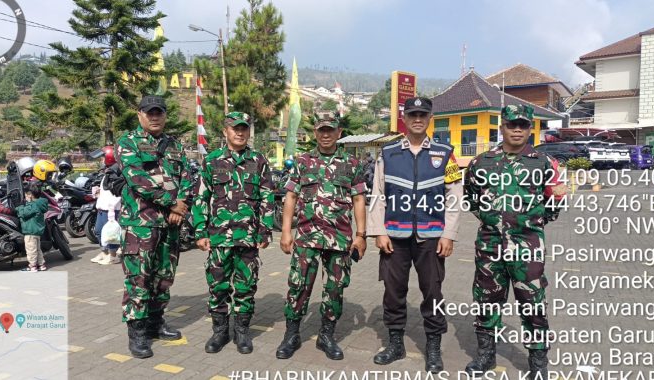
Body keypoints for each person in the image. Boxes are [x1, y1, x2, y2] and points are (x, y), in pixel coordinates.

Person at [463, 104, 565, 379]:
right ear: (502, 127)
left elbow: (555, 202)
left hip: (528, 247)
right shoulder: (480, 162)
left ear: (530, 128)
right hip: (490, 247)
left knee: (532, 303)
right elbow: (471, 198)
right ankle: (485, 356)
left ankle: (538, 363)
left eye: (522, 125)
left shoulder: (544, 163)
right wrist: (493, 219)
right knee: (486, 301)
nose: (517, 129)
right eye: (511, 124)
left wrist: (528, 221)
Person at [367, 97, 463, 373]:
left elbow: (454, 196)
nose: (417, 118)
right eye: (412, 114)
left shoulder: (445, 153)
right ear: (404, 119)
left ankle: (433, 348)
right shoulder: (388, 153)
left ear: (430, 117)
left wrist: (449, 234)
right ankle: (395, 343)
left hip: (431, 237)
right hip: (394, 237)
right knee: (393, 292)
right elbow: (377, 194)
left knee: (432, 291)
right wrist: (377, 231)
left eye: (422, 114)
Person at [275, 111, 368, 361]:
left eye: (331, 130)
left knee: (335, 289)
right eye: (321, 130)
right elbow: (291, 197)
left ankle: (327, 335)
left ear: (339, 133)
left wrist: (361, 235)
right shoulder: (303, 162)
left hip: (339, 239)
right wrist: (285, 231)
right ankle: (291, 334)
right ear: (315, 133)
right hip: (306, 238)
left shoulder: (352, 164)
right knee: (298, 286)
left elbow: (359, 199)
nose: (326, 134)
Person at [117, 95, 193, 359]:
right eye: (149, 112)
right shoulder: (128, 143)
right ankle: (137, 333)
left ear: (165, 115)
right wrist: (172, 202)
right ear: (140, 114)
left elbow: (187, 175)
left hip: (170, 224)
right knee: (139, 278)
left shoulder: (174, 145)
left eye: (159, 112)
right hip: (141, 224)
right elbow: (136, 179)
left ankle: (155, 323)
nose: (154, 117)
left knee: (163, 277)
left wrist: (181, 204)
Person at [193, 111, 274, 355]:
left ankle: (242, 332)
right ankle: (219, 332)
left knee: (246, 286)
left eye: (244, 128)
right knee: (217, 286)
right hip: (218, 238)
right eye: (235, 128)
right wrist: (200, 230)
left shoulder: (258, 161)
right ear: (225, 131)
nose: (240, 132)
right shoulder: (212, 160)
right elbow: (201, 197)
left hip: (248, 238)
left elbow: (267, 198)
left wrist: (264, 231)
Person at [92, 146, 122, 265]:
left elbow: (117, 192)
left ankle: (113, 255)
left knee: (111, 234)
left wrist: (112, 206)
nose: (101, 160)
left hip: (111, 209)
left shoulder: (116, 173)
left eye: (102, 158)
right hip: (102, 207)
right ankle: (104, 253)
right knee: (99, 231)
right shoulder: (108, 172)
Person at [16, 184, 49, 272]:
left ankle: (32, 266)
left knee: (31, 249)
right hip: (37, 231)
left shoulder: (33, 205)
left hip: (30, 231)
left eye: (26, 194)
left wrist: (20, 206)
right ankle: (41, 264)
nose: (25, 196)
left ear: (30, 195)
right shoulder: (40, 203)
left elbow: (23, 214)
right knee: (37, 249)